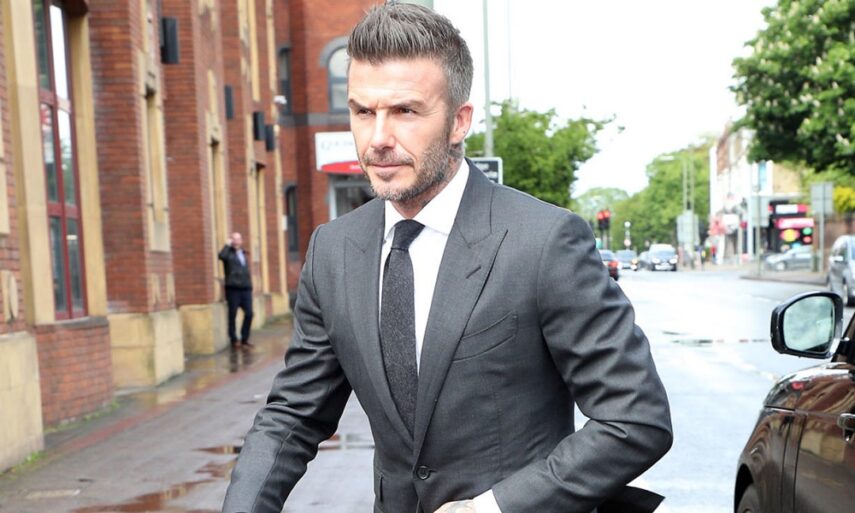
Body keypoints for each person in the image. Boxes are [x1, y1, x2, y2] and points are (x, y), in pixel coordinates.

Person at [222, 3, 672, 513]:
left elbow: (635, 419)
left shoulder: (544, 241)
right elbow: (292, 416)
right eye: (363, 112)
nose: (378, 139)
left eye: (405, 112)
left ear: (459, 122)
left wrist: (493, 508)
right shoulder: (334, 250)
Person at [219, 232, 253, 348]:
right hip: (233, 289)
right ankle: (234, 339)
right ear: (231, 241)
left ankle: (245, 338)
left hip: (246, 288)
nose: (236, 241)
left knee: (249, 313)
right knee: (232, 314)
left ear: (241, 241)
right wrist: (227, 245)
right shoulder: (228, 253)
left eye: (238, 239)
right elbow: (221, 256)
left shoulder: (243, 253)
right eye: (234, 239)